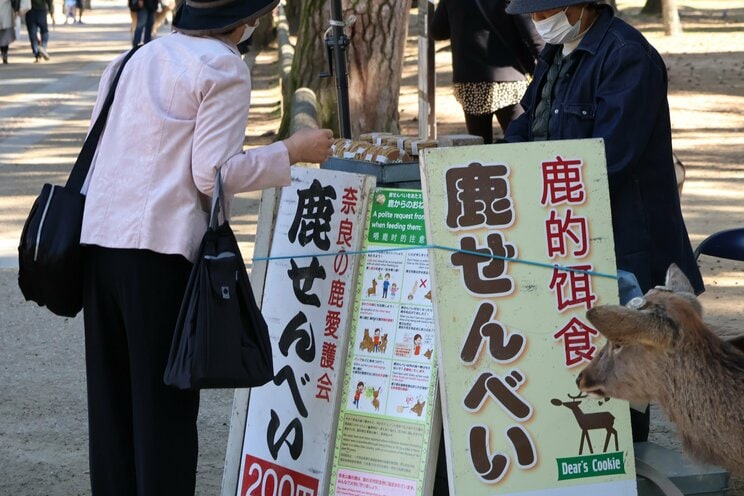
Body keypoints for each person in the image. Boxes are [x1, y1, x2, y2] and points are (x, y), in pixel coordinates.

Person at [78, 0, 333, 493]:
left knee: (112, 409)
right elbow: (212, 173)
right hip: (160, 251)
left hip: (99, 243)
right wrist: (291, 152)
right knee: (164, 411)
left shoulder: (133, 58)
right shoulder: (223, 69)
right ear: (242, 24)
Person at [502, 0, 704, 442]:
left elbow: (611, 157)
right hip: (566, 234)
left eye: (543, 12)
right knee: (578, 352)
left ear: (579, 6)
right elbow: (527, 126)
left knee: (626, 365)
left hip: (625, 238)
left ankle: (626, 463)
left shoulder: (628, 57)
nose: (537, 22)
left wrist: (540, 189)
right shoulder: (556, 56)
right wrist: (498, 163)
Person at [430, 0, 544, 143]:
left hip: (470, 80)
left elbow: (437, 31)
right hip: (509, 80)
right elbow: (531, 35)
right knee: (519, 141)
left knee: (480, 148)